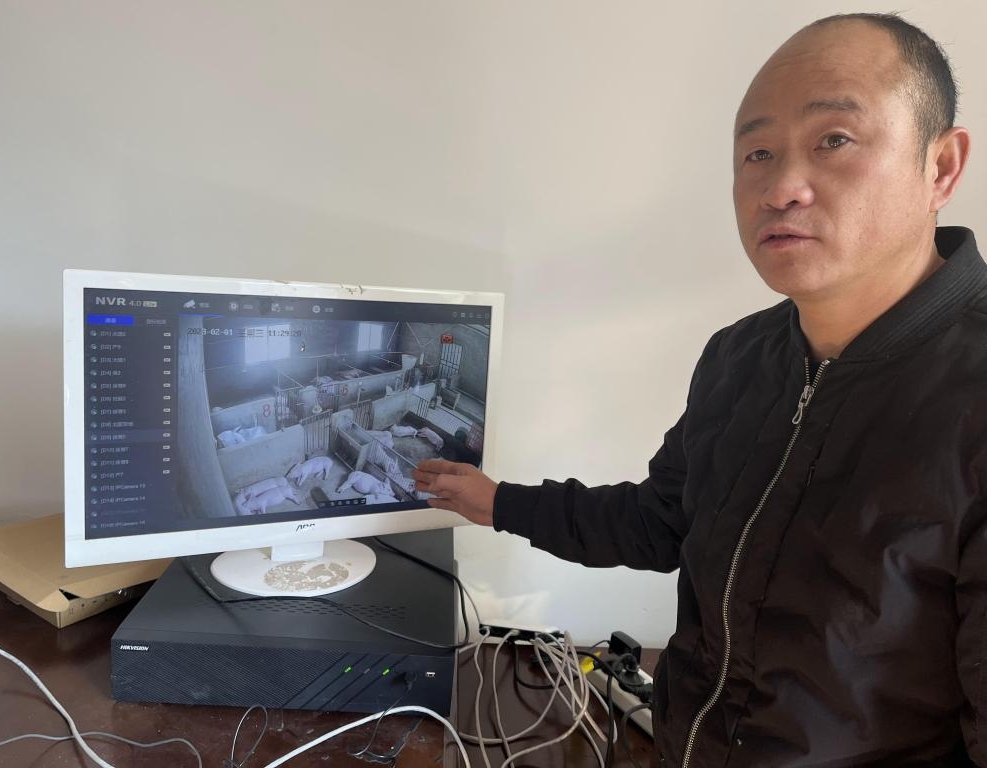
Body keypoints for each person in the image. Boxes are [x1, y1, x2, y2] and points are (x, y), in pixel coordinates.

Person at [413, 12, 986, 767]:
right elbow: (661, 522)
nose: (781, 188)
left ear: (940, 166)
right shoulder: (740, 356)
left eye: (834, 140)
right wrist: (500, 504)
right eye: (757, 152)